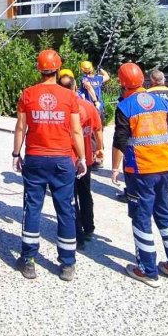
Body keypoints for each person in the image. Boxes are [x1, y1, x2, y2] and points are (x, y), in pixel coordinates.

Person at [111, 63, 168, 287]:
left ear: (122, 82)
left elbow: (120, 140)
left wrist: (115, 168)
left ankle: (147, 270)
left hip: (141, 170)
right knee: (164, 215)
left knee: (141, 218)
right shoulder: (160, 101)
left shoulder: (125, 106)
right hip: (165, 166)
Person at [13, 50, 86, 282]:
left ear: (39, 69)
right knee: (65, 210)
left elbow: (20, 127)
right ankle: (67, 264)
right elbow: (76, 131)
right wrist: (82, 158)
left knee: (32, 207)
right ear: (58, 68)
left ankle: (28, 260)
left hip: (35, 158)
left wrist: (16, 153)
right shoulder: (70, 96)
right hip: (62, 160)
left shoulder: (28, 94)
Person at [58, 69, 102, 248]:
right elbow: (98, 130)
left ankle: (78, 235)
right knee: (85, 193)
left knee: (70, 197)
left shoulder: (61, 108)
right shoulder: (88, 106)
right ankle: (89, 227)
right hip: (87, 159)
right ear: (75, 86)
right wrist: (100, 149)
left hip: (68, 159)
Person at [148, 70, 168, 191]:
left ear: (152, 81)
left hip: (152, 129)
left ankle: (153, 178)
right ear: (164, 79)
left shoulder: (147, 93)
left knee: (152, 154)